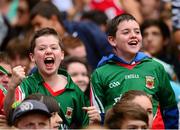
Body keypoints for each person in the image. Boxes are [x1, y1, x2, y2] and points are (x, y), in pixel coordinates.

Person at [91, 13, 178, 129]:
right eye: (126, 32)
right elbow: (98, 115)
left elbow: (170, 108)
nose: (133, 35)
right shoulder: (100, 73)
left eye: (137, 32)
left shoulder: (155, 67)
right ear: (112, 40)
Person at [4, 27, 89, 129]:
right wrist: (12, 87)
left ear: (62, 54)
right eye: (42, 48)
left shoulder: (75, 91)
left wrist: (95, 120)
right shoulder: (25, 85)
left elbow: (86, 125)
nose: (48, 51)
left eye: (53, 48)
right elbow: (11, 115)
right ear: (32, 57)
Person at [29, 1, 112, 70]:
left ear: (53, 19)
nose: (35, 30)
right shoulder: (42, 46)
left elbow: (109, 49)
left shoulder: (83, 28)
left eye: (38, 24)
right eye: (33, 26)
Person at [62, 56, 101, 124]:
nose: (81, 79)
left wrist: (98, 122)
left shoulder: (95, 103)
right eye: (74, 74)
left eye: (84, 74)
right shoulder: (56, 103)